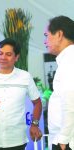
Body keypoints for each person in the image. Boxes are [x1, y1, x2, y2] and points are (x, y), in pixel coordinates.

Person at [44, 16, 74, 150]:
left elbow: (70, 101)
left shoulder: (69, 61)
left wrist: (63, 139)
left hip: (66, 141)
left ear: (59, 34)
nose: (45, 41)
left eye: (47, 35)